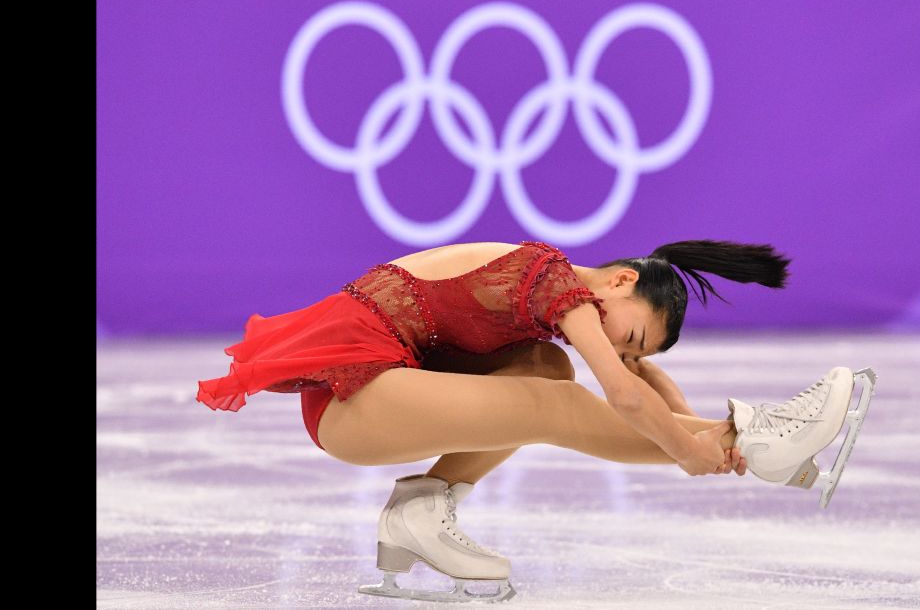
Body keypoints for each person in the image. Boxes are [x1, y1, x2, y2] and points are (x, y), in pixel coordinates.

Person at [195, 239, 869, 603]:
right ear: (619, 282)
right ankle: (760, 439)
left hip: (374, 389)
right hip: (354, 397)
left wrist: (698, 433)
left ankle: (421, 512)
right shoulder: (553, 281)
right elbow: (626, 402)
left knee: (546, 370)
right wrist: (707, 448)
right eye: (627, 336)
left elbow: (641, 387)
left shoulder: (564, 306)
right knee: (560, 401)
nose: (615, 352)